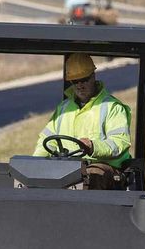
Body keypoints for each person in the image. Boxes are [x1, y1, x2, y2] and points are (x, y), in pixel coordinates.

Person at [34, 53, 132, 189]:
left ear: (93, 76)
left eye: (84, 79)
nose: (80, 85)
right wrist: (34, 165)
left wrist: (93, 146)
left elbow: (119, 143)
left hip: (105, 170)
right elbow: (47, 139)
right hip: (69, 168)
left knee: (91, 174)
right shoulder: (63, 108)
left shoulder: (112, 107)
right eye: (75, 81)